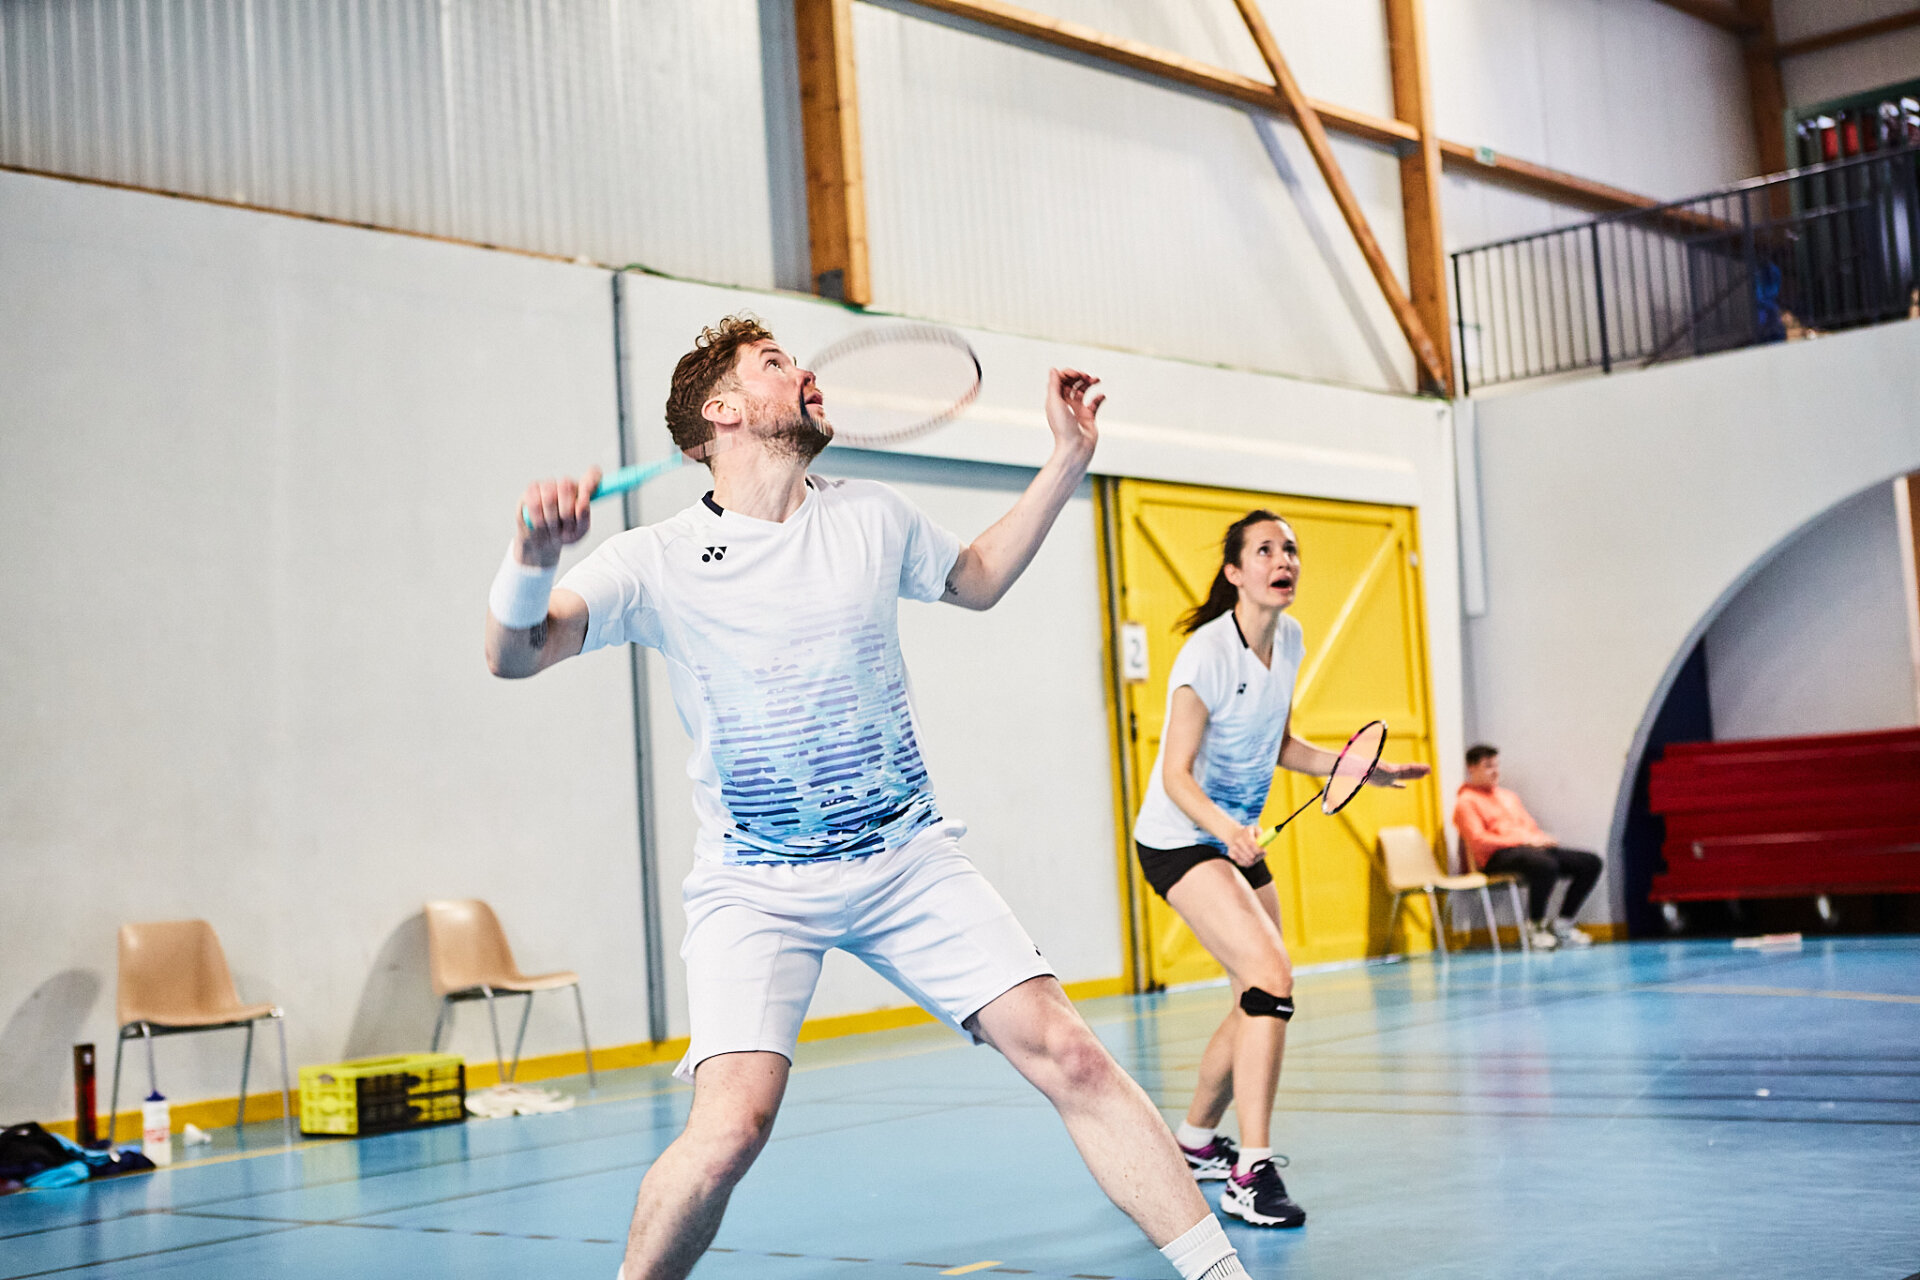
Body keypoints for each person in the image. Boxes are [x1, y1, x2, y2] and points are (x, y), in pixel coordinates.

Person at [484, 315, 1253, 1280]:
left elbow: (976, 580)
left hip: (906, 859)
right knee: (729, 1131)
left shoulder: (871, 517)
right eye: (775, 364)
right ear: (722, 412)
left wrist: (1067, 458)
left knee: (1074, 1055)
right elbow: (515, 654)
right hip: (756, 885)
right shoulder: (656, 559)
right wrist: (531, 557)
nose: (805, 372)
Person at [1131, 510, 1429, 1229]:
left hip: (1235, 840)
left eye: (1290, 548)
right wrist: (1228, 833)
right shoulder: (1205, 655)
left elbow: (1281, 743)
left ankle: (1195, 1142)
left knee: (1257, 989)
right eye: (1264, 550)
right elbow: (1174, 775)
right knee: (1272, 977)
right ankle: (1251, 1172)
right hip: (1182, 839)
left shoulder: (1288, 638)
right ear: (1235, 572)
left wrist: (1363, 769)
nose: (1282, 559)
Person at [1451, 744, 1602, 950]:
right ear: (1472, 768)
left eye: (1496, 765)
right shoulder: (1466, 802)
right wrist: (1522, 841)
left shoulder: (1508, 797)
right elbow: (1479, 841)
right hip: (1497, 857)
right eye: (1488, 766)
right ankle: (1535, 927)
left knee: (1589, 862)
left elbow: (1528, 828)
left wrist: (1541, 839)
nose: (1495, 771)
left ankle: (1563, 924)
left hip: (1528, 851)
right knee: (1544, 865)